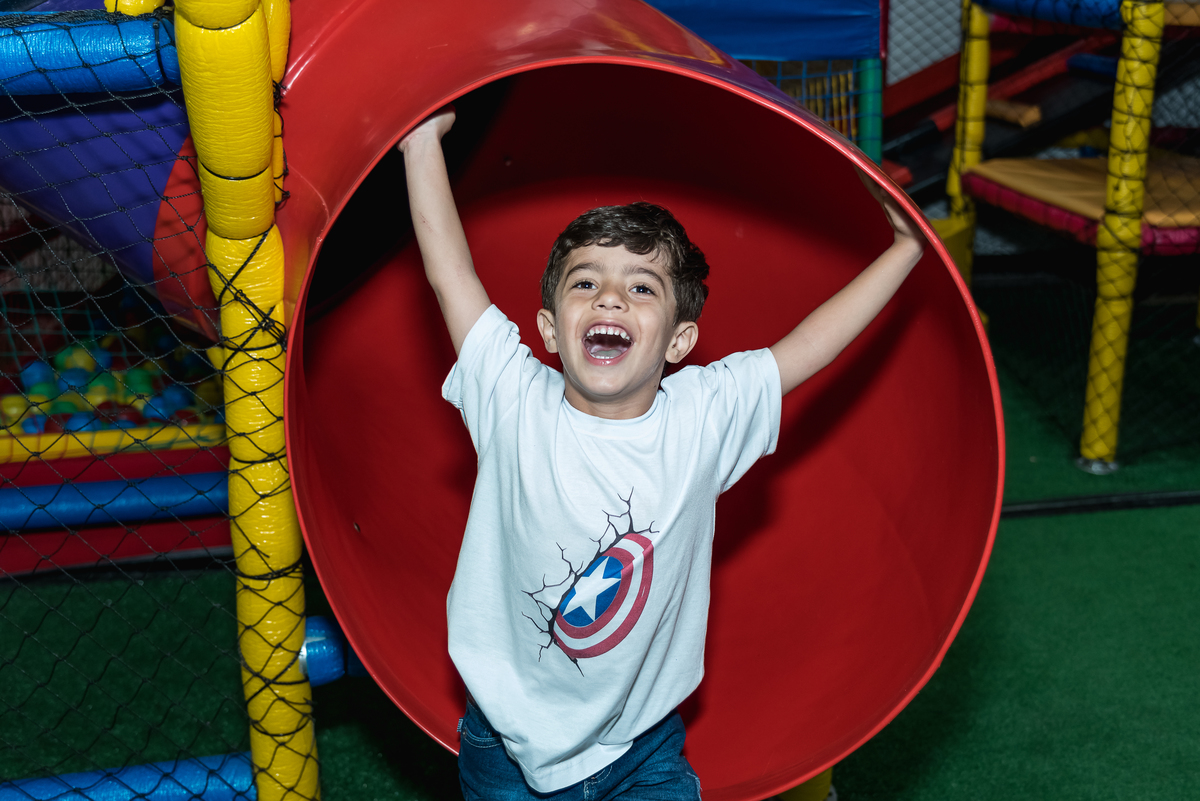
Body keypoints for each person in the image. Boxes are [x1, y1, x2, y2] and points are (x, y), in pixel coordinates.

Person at [399, 106, 924, 801]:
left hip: (642, 743)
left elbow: (808, 346)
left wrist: (905, 249)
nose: (610, 297)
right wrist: (420, 144)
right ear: (550, 330)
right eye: (585, 282)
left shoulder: (702, 415)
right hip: (506, 740)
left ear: (679, 341)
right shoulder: (512, 396)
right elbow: (451, 275)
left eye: (641, 287)